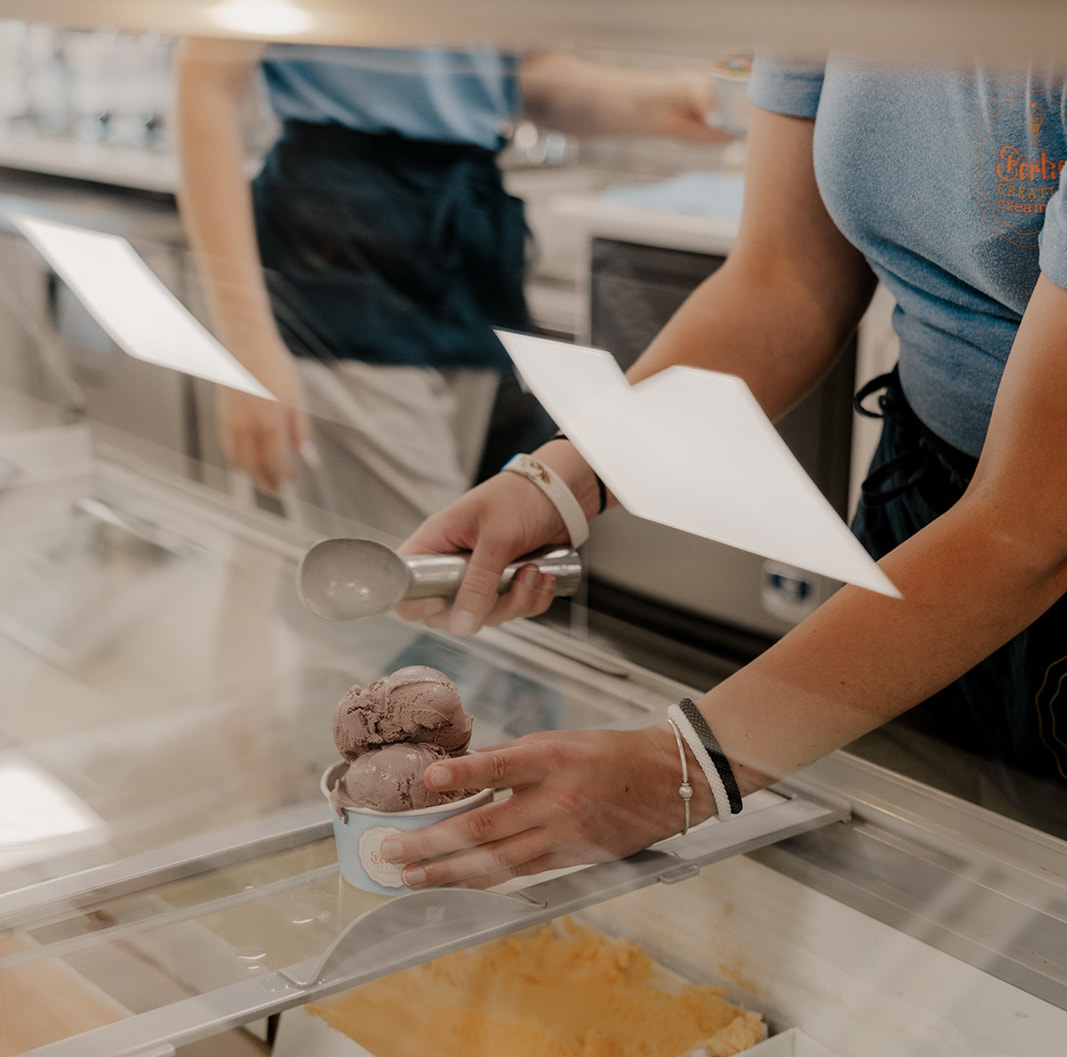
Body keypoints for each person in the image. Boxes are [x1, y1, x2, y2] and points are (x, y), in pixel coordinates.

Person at [374, 58, 1067, 890]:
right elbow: (780, 281)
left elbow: (1029, 525)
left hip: (1028, 531)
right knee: (916, 892)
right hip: (927, 502)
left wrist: (685, 770)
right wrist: (564, 476)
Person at [175, 41, 723, 535]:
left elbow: (512, 75)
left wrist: (668, 100)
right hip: (340, 243)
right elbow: (205, 84)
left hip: (466, 242)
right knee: (411, 572)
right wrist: (247, 344)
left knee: (447, 553)